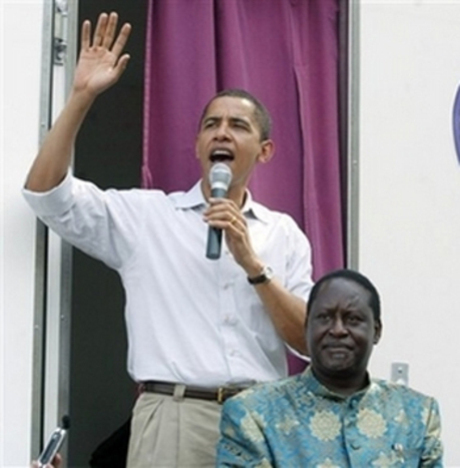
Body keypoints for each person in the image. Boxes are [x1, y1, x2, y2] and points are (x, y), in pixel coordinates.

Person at [23, 12, 314, 467]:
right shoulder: (147, 217)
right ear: (198, 144)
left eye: (238, 125)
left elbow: (309, 341)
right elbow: (46, 195)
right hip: (174, 417)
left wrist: (254, 267)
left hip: (262, 419)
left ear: (265, 150)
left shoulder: (284, 234)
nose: (221, 132)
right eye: (211, 124)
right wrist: (81, 96)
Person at [216, 269, 443, 467]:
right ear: (307, 328)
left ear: (377, 331)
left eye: (353, 319)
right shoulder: (253, 413)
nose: (337, 330)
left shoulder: (418, 413)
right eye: (324, 318)